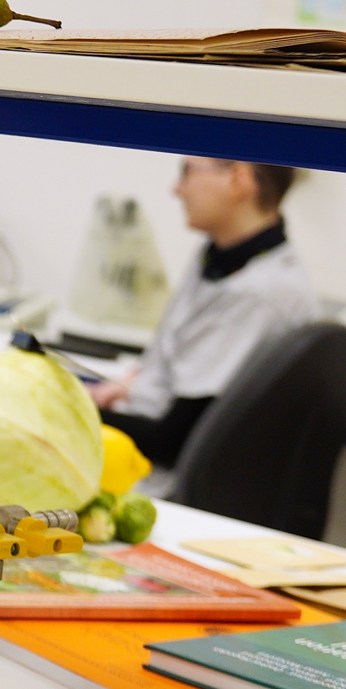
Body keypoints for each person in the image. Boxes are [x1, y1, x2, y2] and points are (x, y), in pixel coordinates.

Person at [91, 159, 314, 468]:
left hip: (154, 475)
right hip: (142, 434)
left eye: (187, 172)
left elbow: (171, 442)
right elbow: (184, 353)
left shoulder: (257, 294)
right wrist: (137, 382)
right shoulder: (220, 259)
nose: (176, 190)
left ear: (238, 179)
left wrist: (71, 410)